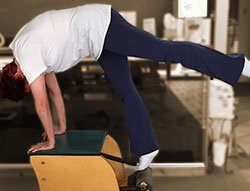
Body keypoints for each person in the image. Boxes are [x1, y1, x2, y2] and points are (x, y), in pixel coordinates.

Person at [0, 4, 250, 172]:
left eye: (27, 87)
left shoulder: (28, 54)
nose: (34, 88)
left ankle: (236, 66)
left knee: (164, 51)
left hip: (102, 26)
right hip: (98, 41)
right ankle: (147, 148)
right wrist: (60, 129)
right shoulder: (27, 51)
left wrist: (50, 143)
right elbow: (53, 91)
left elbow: (41, 102)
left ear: (19, 75)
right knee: (126, 91)